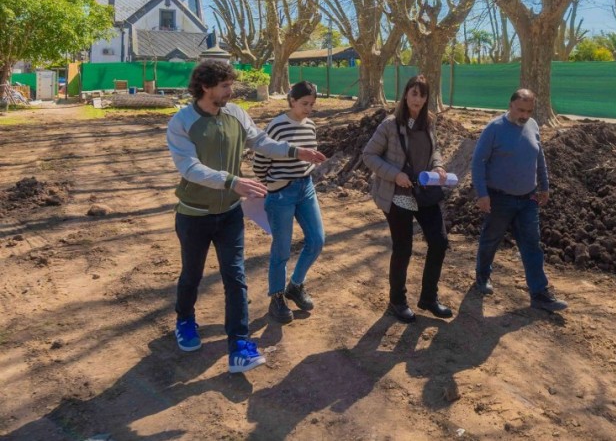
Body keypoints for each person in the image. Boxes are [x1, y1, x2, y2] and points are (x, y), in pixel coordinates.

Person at [166, 61, 326, 373]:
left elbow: (261, 141)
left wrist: (295, 151)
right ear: (206, 87)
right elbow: (188, 167)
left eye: (230, 85)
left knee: (235, 276)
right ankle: (185, 319)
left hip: (228, 214)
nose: (231, 90)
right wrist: (232, 181)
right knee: (192, 274)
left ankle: (239, 344)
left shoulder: (236, 114)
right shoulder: (182, 121)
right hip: (194, 214)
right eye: (225, 85)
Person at [362, 75, 453, 323]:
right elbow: (369, 155)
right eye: (414, 93)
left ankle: (428, 299)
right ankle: (398, 301)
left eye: (422, 95)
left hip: (424, 192)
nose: (418, 99)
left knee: (439, 242)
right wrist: (396, 175)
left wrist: (439, 166)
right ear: (405, 95)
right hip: (398, 194)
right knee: (403, 248)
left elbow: (434, 151)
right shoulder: (390, 125)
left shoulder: (429, 122)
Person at [470, 89, 568, 312]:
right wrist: (482, 194)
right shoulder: (494, 129)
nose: (524, 115)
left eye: (528, 110)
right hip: (499, 199)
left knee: (532, 245)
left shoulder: (532, 125)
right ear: (510, 105)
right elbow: (478, 162)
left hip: (528, 199)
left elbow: (539, 157)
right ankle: (482, 275)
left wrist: (544, 185)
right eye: (520, 110)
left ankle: (539, 293)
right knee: (491, 239)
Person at [251, 81, 325, 324]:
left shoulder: (311, 125)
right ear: (292, 100)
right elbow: (260, 161)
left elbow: (309, 154)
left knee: (316, 240)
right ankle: (277, 296)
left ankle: (295, 285)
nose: (308, 109)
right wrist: (271, 184)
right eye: (304, 104)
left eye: (312, 105)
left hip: (306, 188)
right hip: (281, 193)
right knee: (282, 249)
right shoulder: (277, 125)